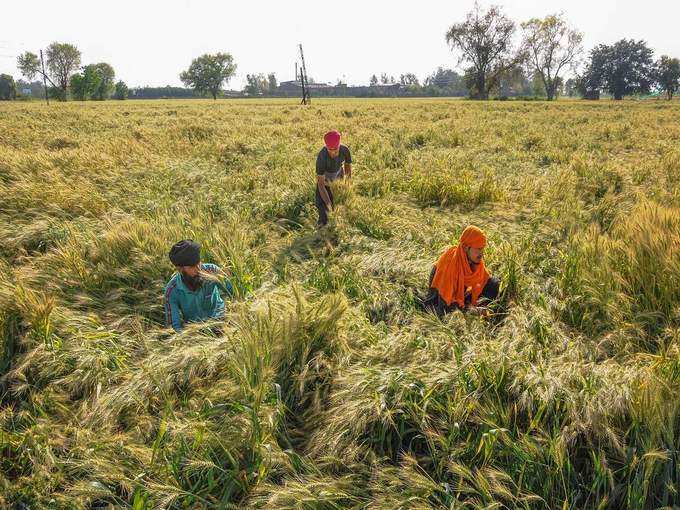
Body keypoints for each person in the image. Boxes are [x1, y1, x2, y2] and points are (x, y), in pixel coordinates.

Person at [419, 226, 500, 317]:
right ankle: (472, 312)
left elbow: (485, 279)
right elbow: (447, 302)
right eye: (478, 249)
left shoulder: (475, 261)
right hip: (443, 297)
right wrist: (472, 310)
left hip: (462, 295)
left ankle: (478, 311)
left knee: (494, 283)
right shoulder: (449, 265)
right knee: (448, 313)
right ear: (466, 248)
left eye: (482, 248)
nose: (481, 253)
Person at [164, 240, 234, 332]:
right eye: (192, 267)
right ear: (180, 269)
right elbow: (174, 326)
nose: (198, 269)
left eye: (198, 263)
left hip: (220, 322)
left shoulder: (212, 271)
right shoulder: (172, 290)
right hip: (196, 331)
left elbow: (233, 292)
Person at [315, 130, 352, 227]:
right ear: (326, 147)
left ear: (339, 145)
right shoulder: (321, 157)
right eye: (329, 150)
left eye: (335, 150)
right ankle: (321, 235)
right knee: (325, 215)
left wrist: (346, 186)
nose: (333, 153)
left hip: (338, 182)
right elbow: (321, 185)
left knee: (343, 209)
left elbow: (347, 169)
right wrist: (328, 204)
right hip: (325, 185)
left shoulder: (345, 151)